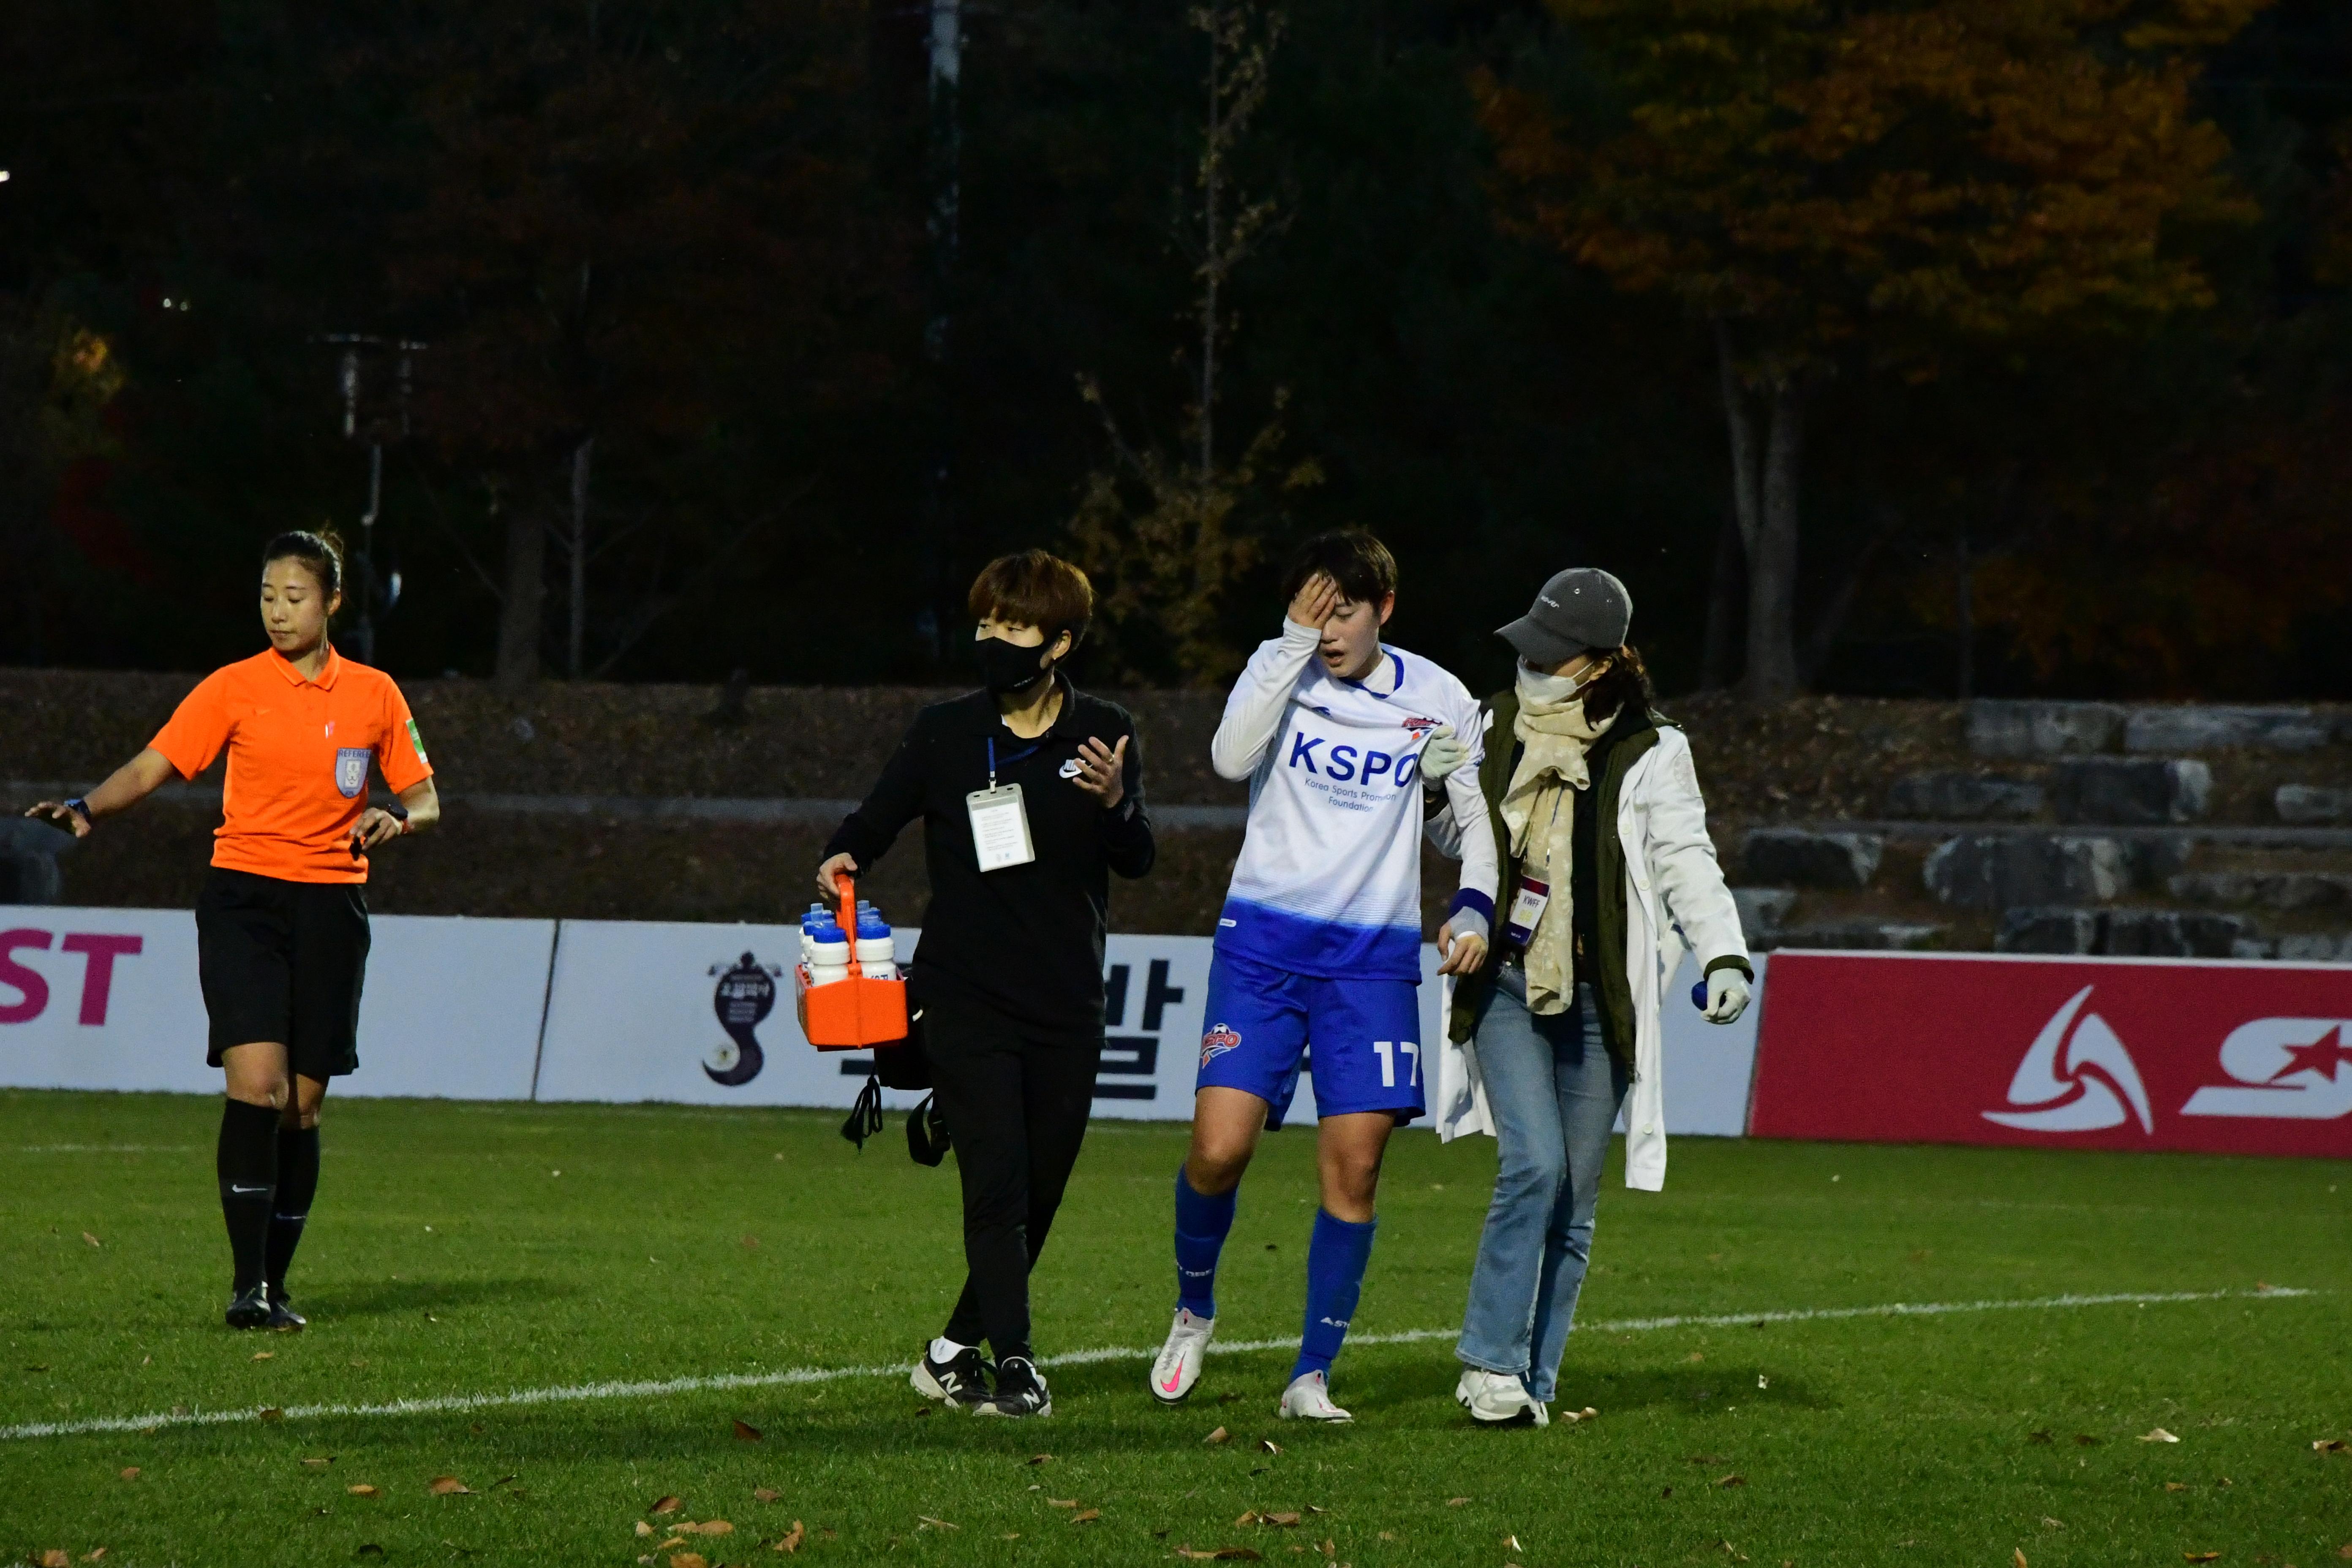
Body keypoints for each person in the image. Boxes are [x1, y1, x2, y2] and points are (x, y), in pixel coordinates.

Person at [24, 529, 440, 1331]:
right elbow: (156, 763)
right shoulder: (233, 687)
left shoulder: (376, 695)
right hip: (244, 899)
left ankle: (276, 1285)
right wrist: (87, 807)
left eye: (294, 598)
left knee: (303, 1108)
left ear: (332, 604)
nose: (277, 612)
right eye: (266, 597)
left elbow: (426, 797)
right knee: (257, 1087)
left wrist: (400, 818)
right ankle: (246, 1288)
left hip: (331, 908)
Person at [1149, 529, 1499, 1422]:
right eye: (1313, 606)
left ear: (1385, 608)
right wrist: (1288, 641)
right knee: (1219, 1148)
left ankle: (1311, 1373)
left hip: (1371, 964)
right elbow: (1231, 757)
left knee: (1355, 1169)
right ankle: (1194, 1307)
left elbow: (1466, 826)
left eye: (1343, 609)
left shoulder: (1440, 698)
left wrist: (1473, 905)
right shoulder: (1284, 666)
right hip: (1261, 947)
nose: (1328, 625)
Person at [817, 550, 1152, 1418]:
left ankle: (949, 1351)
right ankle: (1017, 1366)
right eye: (985, 624)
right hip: (964, 992)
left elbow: (1139, 856)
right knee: (998, 1188)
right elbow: (878, 813)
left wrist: (1117, 801)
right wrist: (844, 849)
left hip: (1069, 1002)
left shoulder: (1104, 729)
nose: (993, 640)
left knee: (1040, 1191)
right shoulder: (945, 730)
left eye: (1014, 626)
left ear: (1060, 641)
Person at [1427, 567, 1750, 1426]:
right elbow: (1465, 839)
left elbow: (1687, 856)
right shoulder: (1494, 722)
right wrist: (1433, 788)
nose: (1533, 662)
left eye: (1553, 650)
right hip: (1502, 980)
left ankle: (1536, 1377)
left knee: (1575, 1195)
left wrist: (1724, 953)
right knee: (1531, 1162)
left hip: (1602, 994)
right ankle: (1487, 1364)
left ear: (1599, 659)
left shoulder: (1653, 746)